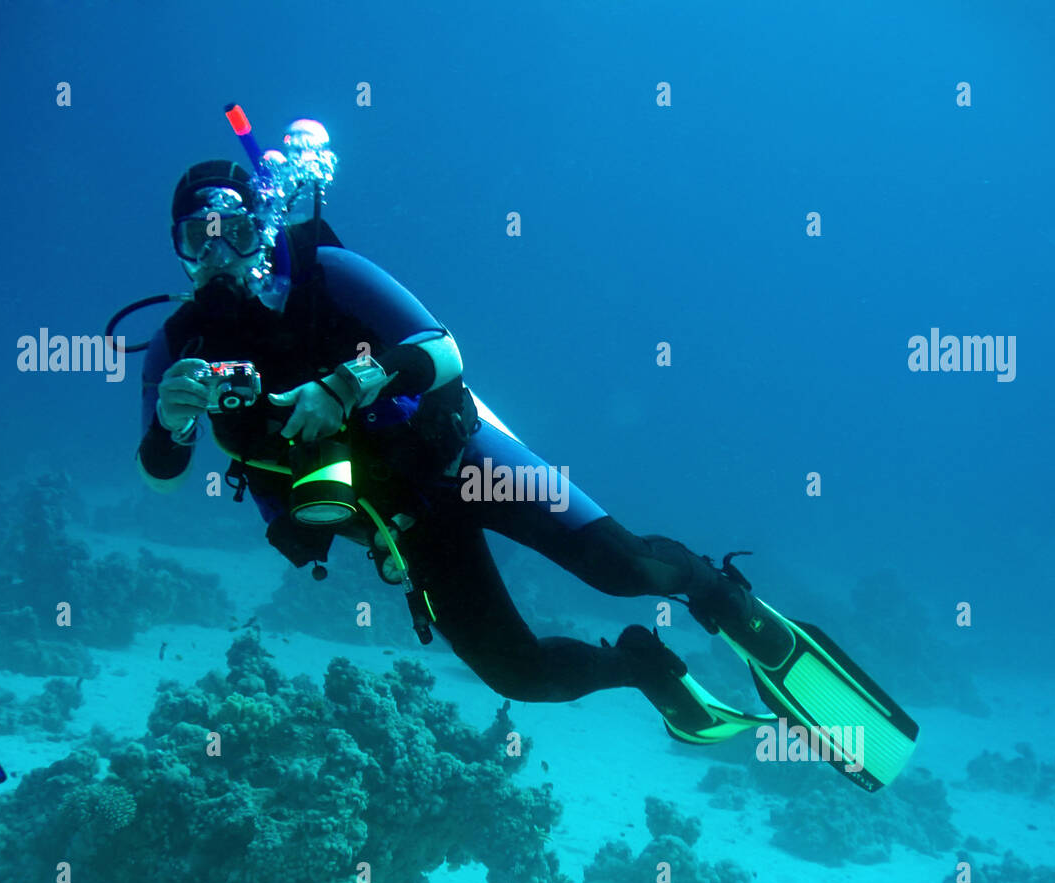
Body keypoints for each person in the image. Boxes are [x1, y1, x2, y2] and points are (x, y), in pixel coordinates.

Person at [138, 158, 919, 792]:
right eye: (196, 240)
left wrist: (346, 383)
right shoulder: (181, 345)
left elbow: (442, 351)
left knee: (621, 567)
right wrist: (176, 422)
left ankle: (716, 595)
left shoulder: (327, 271)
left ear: (262, 226)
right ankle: (642, 668)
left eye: (233, 232)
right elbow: (162, 476)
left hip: (465, 458)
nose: (217, 256)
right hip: (403, 520)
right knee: (520, 675)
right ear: (178, 249)